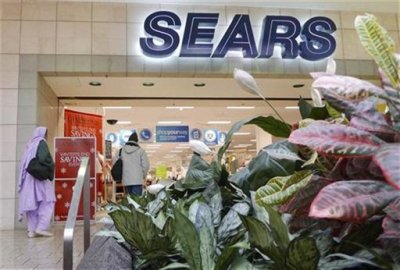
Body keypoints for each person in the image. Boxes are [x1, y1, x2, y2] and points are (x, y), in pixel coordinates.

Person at [18, 127, 55, 238]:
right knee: (48, 201)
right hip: (39, 177)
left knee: (32, 203)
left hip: (29, 178)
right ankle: (41, 228)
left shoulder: (30, 144)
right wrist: (51, 165)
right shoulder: (41, 142)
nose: (47, 136)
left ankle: (31, 230)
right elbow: (44, 158)